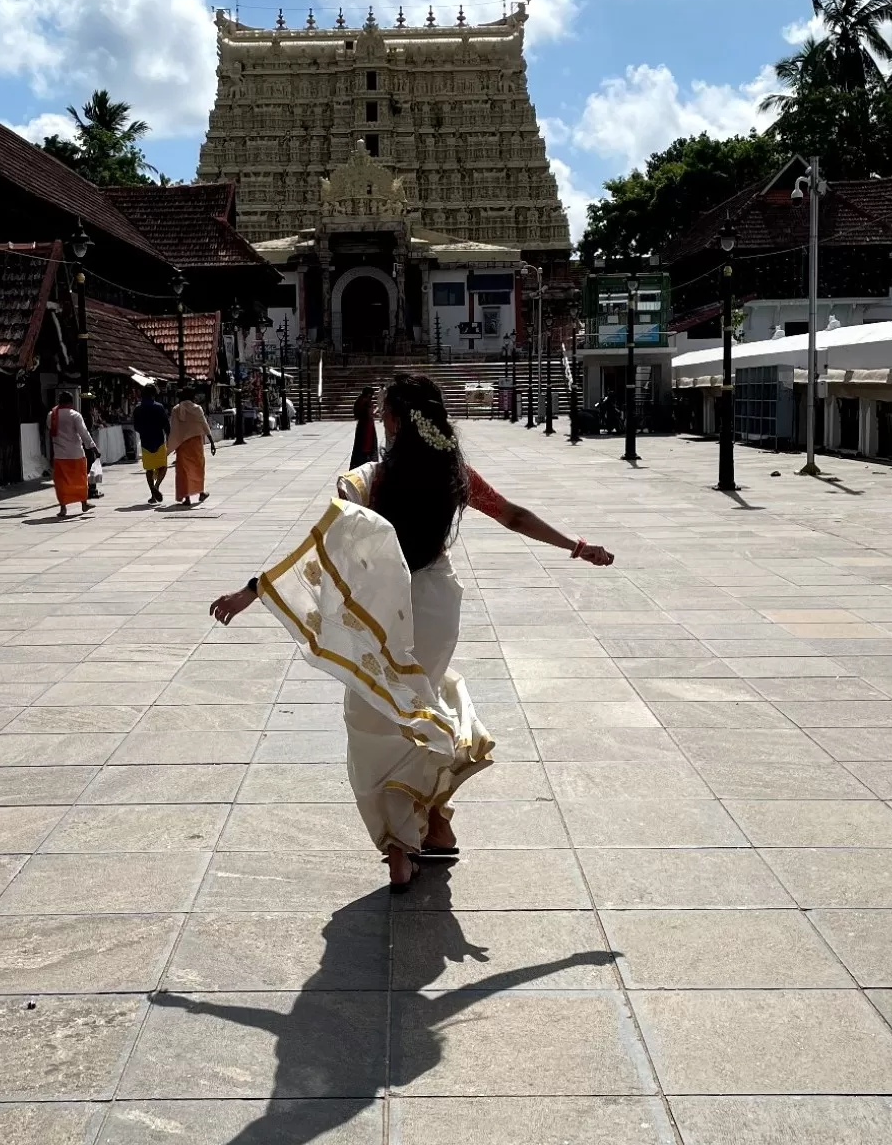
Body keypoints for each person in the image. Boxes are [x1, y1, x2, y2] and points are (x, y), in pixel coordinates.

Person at [210, 372, 613, 889]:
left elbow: (321, 549)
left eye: (382, 410)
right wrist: (577, 547)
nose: (378, 416)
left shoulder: (368, 482)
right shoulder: (454, 472)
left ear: (398, 420)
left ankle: (401, 847)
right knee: (425, 709)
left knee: (378, 719)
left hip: (386, 614)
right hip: (438, 607)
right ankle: (437, 826)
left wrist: (253, 591)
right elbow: (513, 516)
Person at [48, 388, 98, 519]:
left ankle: (63, 508)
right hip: (76, 453)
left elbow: (50, 432)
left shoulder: (51, 415)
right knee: (80, 480)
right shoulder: (75, 415)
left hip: (59, 454)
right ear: (71, 402)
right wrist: (93, 447)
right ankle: (84, 503)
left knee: (61, 482)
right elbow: (84, 433)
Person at [167, 385, 217, 507]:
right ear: (192, 397)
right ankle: (200, 492)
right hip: (196, 444)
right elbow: (204, 425)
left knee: (183, 471)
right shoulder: (197, 409)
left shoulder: (176, 410)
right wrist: (211, 442)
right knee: (198, 468)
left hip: (182, 445)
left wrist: (172, 444)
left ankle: (187, 498)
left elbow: (173, 429)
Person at [132, 383, 171, 504]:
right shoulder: (159, 407)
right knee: (163, 467)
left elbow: (136, 427)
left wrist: (145, 431)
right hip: (159, 440)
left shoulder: (137, 409)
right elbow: (166, 424)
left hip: (145, 442)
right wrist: (169, 436)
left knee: (149, 469)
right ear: (153, 394)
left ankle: (152, 492)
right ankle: (156, 487)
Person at [349, 385, 378, 466]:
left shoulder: (359, 400)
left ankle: (359, 462)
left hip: (362, 424)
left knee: (360, 445)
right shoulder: (366, 401)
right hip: (367, 425)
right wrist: (373, 413)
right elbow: (369, 414)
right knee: (367, 444)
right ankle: (366, 461)